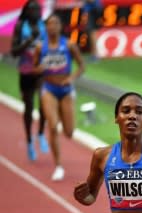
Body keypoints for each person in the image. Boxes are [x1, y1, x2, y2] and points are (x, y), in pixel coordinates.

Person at [33, 13, 85, 181]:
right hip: (49, 89)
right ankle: (58, 166)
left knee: (69, 132)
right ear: (46, 27)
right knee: (53, 127)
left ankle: (63, 114)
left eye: (55, 23)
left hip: (66, 89)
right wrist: (39, 69)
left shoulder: (69, 45)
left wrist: (72, 78)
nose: (52, 27)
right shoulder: (41, 48)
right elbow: (34, 69)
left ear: (60, 27)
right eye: (49, 24)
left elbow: (82, 66)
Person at [11, 0, 48, 162]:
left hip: (41, 71)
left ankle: (40, 133)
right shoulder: (20, 26)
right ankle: (29, 140)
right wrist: (27, 42)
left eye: (38, 9)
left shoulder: (44, 25)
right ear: (26, 11)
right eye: (33, 9)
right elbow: (14, 52)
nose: (36, 12)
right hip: (26, 72)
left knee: (44, 103)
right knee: (29, 107)